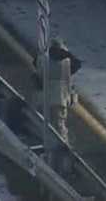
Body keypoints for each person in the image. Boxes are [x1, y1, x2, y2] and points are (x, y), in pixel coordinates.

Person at [33, 37, 82, 171]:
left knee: (46, 129)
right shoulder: (66, 60)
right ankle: (64, 156)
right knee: (60, 128)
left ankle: (51, 159)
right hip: (60, 98)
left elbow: (37, 74)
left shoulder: (44, 59)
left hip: (44, 99)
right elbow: (77, 65)